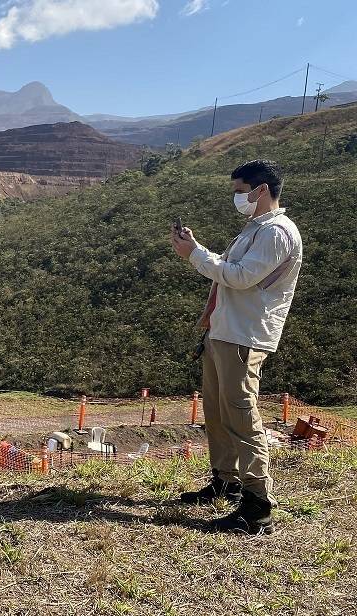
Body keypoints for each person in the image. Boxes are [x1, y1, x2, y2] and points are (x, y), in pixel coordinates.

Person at [170, 159, 302, 534]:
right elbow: (230, 271)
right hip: (224, 331)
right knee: (217, 411)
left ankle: (257, 504)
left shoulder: (276, 233)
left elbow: (242, 278)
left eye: (240, 191)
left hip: (245, 335)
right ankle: (225, 481)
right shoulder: (255, 229)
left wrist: (194, 254)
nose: (237, 198)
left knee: (242, 416)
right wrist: (197, 249)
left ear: (262, 190)